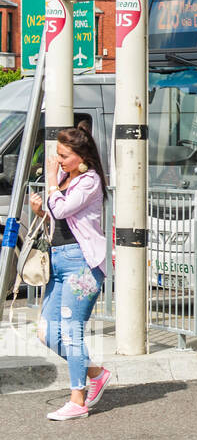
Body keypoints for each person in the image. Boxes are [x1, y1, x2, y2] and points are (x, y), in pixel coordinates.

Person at [30, 128, 110, 421]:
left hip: (82, 264)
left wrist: (51, 182)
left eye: (64, 156)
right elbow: (58, 219)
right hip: (58, 261)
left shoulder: (90, 181)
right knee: (47, 333)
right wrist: (41, 212)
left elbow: (63, 209)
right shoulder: (68, 178)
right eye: (58, 155)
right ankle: (96, 373)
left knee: (70, 331)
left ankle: (78, 399)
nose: (58, 160)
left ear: (82, 156)